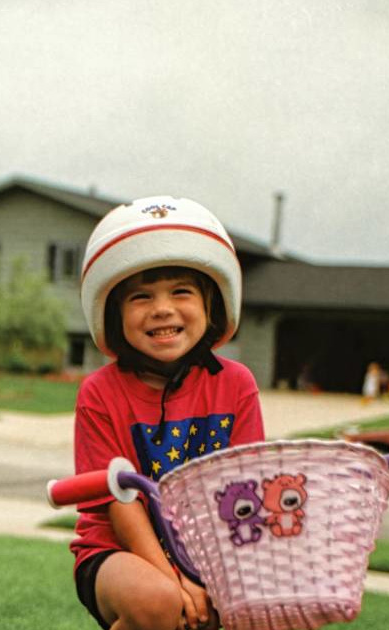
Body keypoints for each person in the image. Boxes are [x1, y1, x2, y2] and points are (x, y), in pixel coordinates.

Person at [70, 196, 266, 630]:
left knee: (264, 607)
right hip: (118, 551)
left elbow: (247, 490)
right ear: (113, 311)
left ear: (211, 302)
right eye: (140, 296)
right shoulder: (100, 393)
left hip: (216, 551)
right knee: (158, 602)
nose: (162, 308)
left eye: (181, 291)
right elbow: (118, 503)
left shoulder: (236, 385)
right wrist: (174, 576)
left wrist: (209, 577)